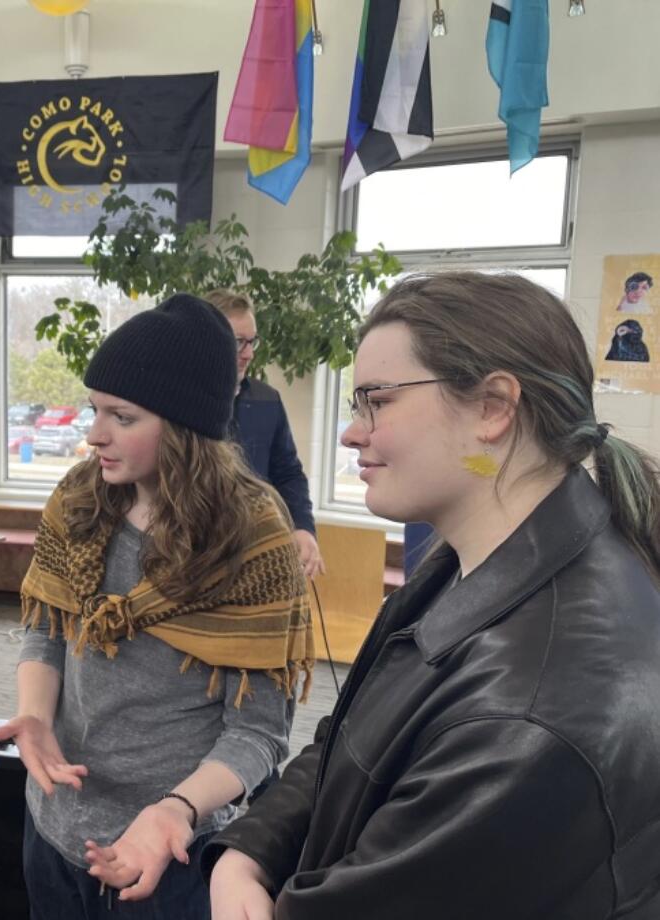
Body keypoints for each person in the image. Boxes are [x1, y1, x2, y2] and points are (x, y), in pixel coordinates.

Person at [206, 272, 660, 920]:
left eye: (376, 402)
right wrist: (248, 849)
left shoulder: (530, 718)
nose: (350, 433)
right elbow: (356, 735)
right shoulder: (473, 561)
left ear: (494, 407)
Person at [0, 293, 314, 919]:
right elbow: (47, 632)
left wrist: (175, 812)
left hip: (176, 850)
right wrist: (33, 715)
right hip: (55, 827)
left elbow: (259, 732)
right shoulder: (82, 500)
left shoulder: (253, 539)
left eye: (123, 417)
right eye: (94, 410)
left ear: (186, 427)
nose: (95, 434)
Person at [204, 289, 325, 578]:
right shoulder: (175, 404)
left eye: (252, 341)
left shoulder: (267, 399)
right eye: (237, 342)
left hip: (258, 554)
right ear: (204, 340)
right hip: (198, 560)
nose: (249, 353)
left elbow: (288, 473)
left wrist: (303, 528)